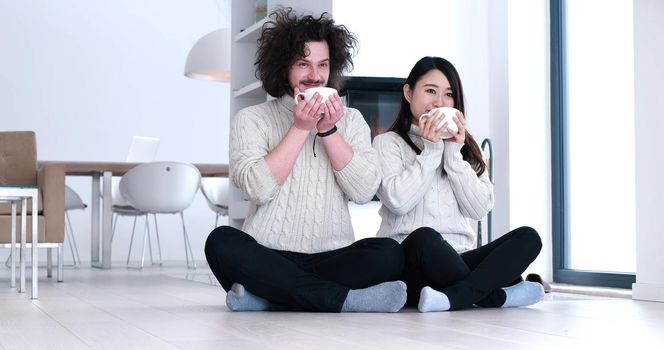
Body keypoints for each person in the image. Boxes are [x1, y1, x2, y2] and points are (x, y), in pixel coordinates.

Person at [204, 7, 406, 313]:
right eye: (303, 64)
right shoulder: (252, 119)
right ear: (283, 67)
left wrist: (328, 130)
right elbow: (258, 189)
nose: (315, 76)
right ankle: (342, 300)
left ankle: (270, 295)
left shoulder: (350, 120)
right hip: (267, 252)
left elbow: (364, 191)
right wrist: (300, 128)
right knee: (220, 242)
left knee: (390, 253)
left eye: (322, 64)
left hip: (332, 255)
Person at [373, 56, 544, 312]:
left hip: (459, 259)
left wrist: (453, 154)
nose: (439, 103)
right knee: (425, 237)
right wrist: (431, 152)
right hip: (412, 262)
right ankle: (495, 296)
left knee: (529, 237)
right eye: (430, 91)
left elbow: (479, 209)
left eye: (449, 94)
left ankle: (452, 297)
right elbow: (398, 202)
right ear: (409, 92)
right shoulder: (387, 143)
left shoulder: (465, 148)